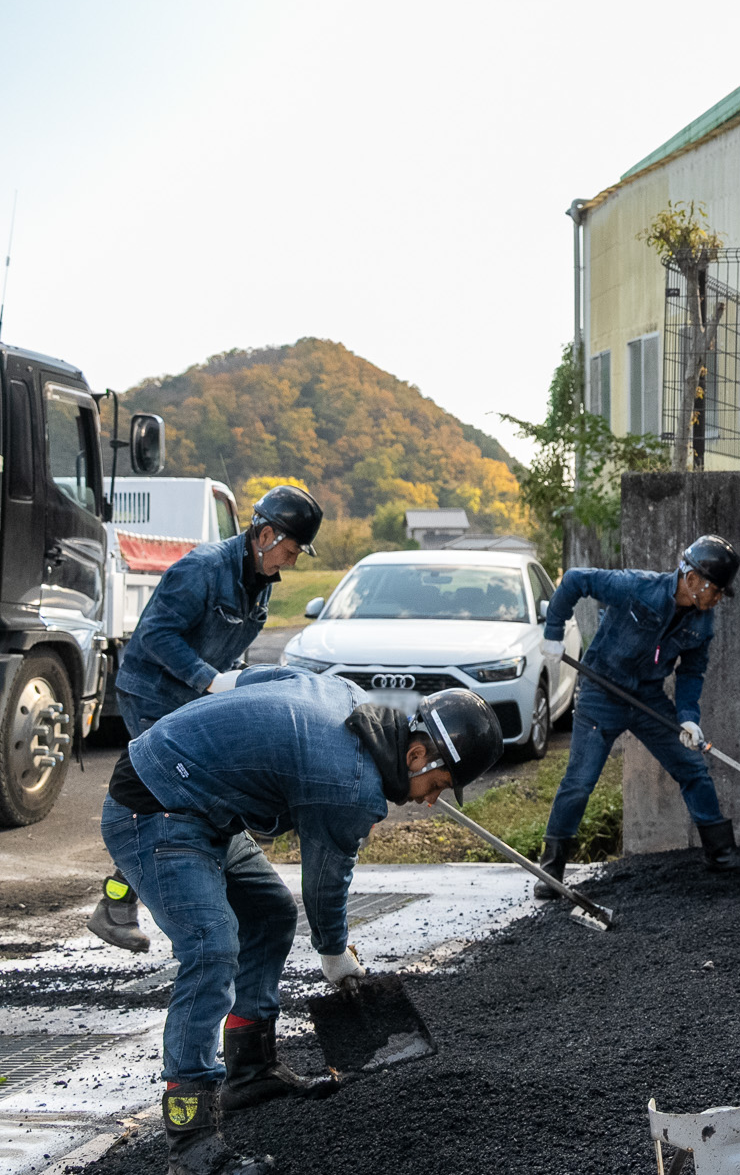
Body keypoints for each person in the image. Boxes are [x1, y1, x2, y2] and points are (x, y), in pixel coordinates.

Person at [102, 669, 503, 1175]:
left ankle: (250, 1070)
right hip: (156, 806)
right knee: (211, 949)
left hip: (205, 804)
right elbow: (325, 883)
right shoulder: (351, 784)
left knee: (270, 912)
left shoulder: (347, 696)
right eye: (438, 785)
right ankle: (191, 1143)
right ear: (417, 755)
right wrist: (335, 955)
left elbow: (260, 678)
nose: (430, 799)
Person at [90, 485, 325, 952]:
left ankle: (183, 896)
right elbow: (156, 636)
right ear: (266, 535)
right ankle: (118, 905)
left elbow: (226, 647)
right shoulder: (202, 569)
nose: (292, 562)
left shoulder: (258, 585)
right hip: (152, 694)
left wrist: (242, 681)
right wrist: (209, 680)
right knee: (169, 791)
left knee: (190, 795)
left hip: (192, 698)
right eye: (291, 551)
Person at [534, 534, 740, 888]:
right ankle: (550, 869)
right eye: (717, 591)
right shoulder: (636, 587)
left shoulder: (702, 624)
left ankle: (721, 855)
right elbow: (576, 580)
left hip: (647, 699)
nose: (719, 599)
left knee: (692, 769)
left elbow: (692, 672)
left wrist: (688, 717)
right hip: (601, 692)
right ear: (692, 579)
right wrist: (553, 633)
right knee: (580, 782)